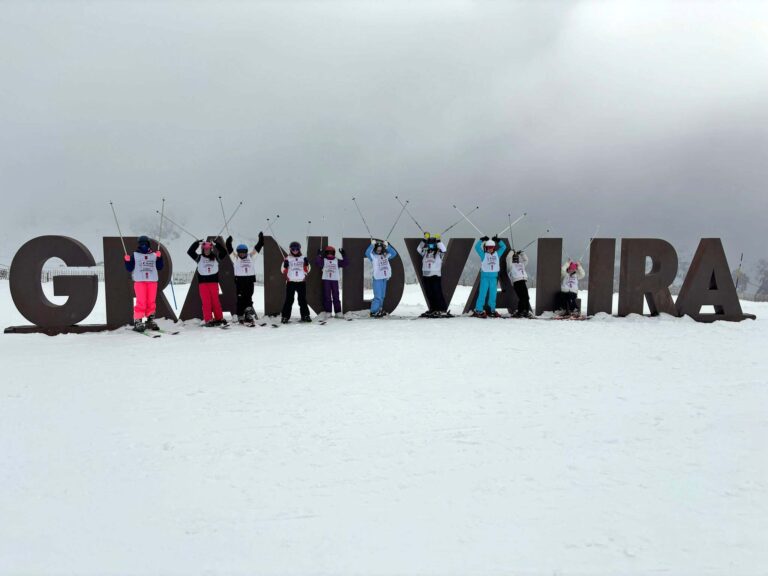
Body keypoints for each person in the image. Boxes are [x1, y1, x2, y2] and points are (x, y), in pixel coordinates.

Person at [124, 235, 164, 332]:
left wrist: (159, 258)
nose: (144, 245)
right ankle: (138, 321)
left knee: (151, 301)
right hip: (140, 281)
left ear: (148, 244)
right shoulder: (135, 255)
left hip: (152, 281)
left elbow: (160, 267)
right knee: (141, 301)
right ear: (139, 244)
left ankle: (150, 320)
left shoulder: (154, 255)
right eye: (142, 244)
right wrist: (127, 261)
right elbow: (129, 268)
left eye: (145, 243)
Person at [187, 237, 228, 327]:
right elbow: (190, 252)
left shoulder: (216, 257)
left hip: (213, 283)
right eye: (205, 249)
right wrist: (197, 243)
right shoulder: (199, 258)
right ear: (203, 249)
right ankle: (208, 319)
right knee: (206, 302)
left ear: (211, 249)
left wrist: (216, 244)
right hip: (203, 284)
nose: (206, 251)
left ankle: (219, 318)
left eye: (208, 249)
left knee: (215, 301)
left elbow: (224, 252)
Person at [226, 232, 264, 325]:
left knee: (248, 298)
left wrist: (260, 239)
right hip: (240, 281)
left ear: (246, 252)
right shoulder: (235, 258)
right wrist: (228, 242)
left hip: (249, 281)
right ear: (238, 252)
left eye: (243, 252)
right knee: (240, 299)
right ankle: (240, 315)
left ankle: (248, 315)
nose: (242, 254)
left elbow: (257, 248)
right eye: (240, 252)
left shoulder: (251, 257)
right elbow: (229, 249)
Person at [473, 235, 507, 318]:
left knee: (493, 295)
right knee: (482, 294)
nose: (490, 249)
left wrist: (498, 240)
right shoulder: (483, 255)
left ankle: (492, 310)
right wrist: (481, 240)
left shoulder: (497, 254)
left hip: (494, 278)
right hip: (485, 278)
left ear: (494, 248)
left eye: (491, 247)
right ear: (486, 248)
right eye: (488, 247)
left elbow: (503, 247)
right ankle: (478, 310)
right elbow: (477, 247)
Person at [417, 232, 449, 317]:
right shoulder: (425, 252)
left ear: (435, 245)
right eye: (429, 245)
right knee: (429, 294)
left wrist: (438, 241)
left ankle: (442, 309)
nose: (430, 247)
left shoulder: (439, 253)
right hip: (426, 276)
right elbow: (419, 248)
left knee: (437, 293)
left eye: (432, 245)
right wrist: (424, 239)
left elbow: (444, 249)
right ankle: (433, 309)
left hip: (435, 276)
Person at [365, 239, 398, 317]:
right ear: (375, 248)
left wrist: (387, 246)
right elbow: (367, 253)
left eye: (380, 248)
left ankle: (379, 310)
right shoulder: (373, 256)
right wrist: (372, 245)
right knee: (378, 296)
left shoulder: (385, 256)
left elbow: (394, 253)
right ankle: (373, 312)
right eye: (377, 248)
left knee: (382, 296)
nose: (379, 250)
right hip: (377, 279)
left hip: (384, 278)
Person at [281, 241, 311, 323]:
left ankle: (305, 315)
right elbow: (282, 270)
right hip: (291, 282)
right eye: (293, 249)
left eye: (297, 249)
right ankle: (285, 317)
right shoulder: (287, 258)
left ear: (299, 249)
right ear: (290, 249)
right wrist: (285, 266)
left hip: (301, 282)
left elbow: (308, 270)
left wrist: (307, 264)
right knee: (289, 300)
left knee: (302, 299)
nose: (295, 251)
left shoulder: (303, 258)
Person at [315, 244, 347, 319]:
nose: (330, 254)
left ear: (334, 253)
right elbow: (318, 263)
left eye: (331, 252)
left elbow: (345, 263)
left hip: (334, 280)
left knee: (336, 295)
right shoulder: (324, 260)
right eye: (328, 252)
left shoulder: (336, 260)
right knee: (327, 296)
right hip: (326, 280)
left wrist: (344, 255)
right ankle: (328, 312)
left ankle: (338, 312)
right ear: (326, 253)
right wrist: (319, 255)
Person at [505, 249, 533, 318]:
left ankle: (526, 311)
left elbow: (526, 260)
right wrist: (511, 252)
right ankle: (521, 311)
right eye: (514, 258)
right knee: (522, 297)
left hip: (523, 281)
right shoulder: (510, 266)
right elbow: (508, 258)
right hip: (516, 282)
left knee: (526, 297)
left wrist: (522, 253)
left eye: (516, 258)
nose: (515, 259)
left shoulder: (521, 264)